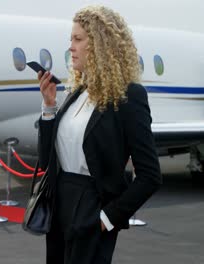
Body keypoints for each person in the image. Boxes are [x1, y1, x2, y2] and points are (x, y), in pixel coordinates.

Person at [37, 5, 162, 264]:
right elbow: (45, 159)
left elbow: (150, 176)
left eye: (78, 39)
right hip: (60, 206)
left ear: (100, 45)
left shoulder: (129, 97)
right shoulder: (76, 93)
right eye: (71, 39)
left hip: (91, 209)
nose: (71, 46)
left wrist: (107, 219)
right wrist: (49, 107)